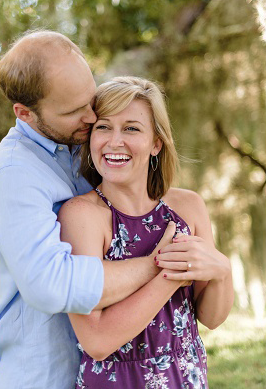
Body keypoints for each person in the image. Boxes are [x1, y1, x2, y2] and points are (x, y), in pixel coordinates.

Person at [0, 31, 164, 388]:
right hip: (47, 376)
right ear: (25, 114)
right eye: (74, 111)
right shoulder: (13, 174)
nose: (92, 117)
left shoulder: (84, 144)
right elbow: (52, 284)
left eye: (90, 99)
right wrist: (158, 264)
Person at [57, 76, 234, 387]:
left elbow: (212, 318)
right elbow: (96, 341)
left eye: (131, 128)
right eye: (103, 127)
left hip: (185, 375)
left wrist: (222, 271)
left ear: (156, 143)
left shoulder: (188, 207)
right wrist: (170, 272)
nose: (114, 141)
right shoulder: (82, 216)